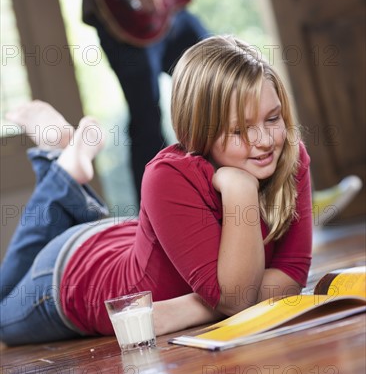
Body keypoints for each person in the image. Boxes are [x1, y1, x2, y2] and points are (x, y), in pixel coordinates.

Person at [0, 35, 313, 346]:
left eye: (273, 118)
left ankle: (61, 159)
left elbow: (289, 275)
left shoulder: (288, 156)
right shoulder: (166, 176)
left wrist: (190, 307)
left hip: (122, 239)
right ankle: (58, 164)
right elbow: (238, 301)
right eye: (239, 130)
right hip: (71, 278)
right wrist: (240, 191)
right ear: (196, 132)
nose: (265, 140)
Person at [46, 0, 238, 203]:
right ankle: (158, 229)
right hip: (118, 14)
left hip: (165, 12)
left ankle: (275, 199)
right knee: (148, 119)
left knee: (229, 79)